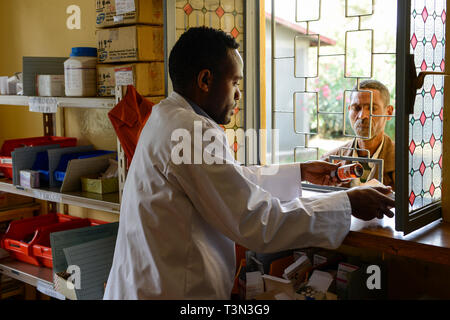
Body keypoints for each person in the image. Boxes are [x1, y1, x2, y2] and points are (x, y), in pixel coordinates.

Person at [104, 27, 394, 300]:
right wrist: (346, 203)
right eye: (235, 82)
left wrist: (300, 172)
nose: (239, 94)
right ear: (205, 80)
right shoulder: (192, 131)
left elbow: (228, 180)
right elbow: (257, 222)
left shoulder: (166, 116)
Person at [321, 80, 395, 188]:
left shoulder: (405, 162)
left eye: (372, 108)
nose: (362, 116)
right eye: (356, 108)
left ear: (388, 112)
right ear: (349, 110)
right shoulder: (330, 161)